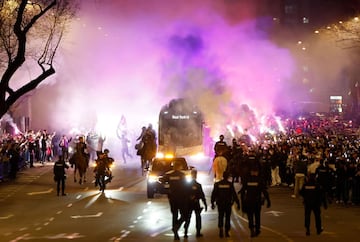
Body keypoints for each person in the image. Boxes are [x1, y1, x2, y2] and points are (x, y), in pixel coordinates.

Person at [162, 160, 190, 240]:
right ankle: (176, 226)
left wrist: (168, 190)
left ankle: (175, 233)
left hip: (172, 198)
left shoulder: (168, 175)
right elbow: (186, 186)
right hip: (181, 198)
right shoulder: (182, 175)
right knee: (184, 215)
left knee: (174, 215)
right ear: (179, 167)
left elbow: (162, 182)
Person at [239, 165, 271, 237]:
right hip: (257, 201)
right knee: (257, 216)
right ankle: (257, 229)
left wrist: (242, 203)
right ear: (257, 172)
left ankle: (251, 229)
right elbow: (264, 191)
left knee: (250, 216)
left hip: (249, 201)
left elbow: (243, 191)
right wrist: (268, 200)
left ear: (251, 172)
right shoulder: (259, 180)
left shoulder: (247, 180)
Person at [211, 171, 240, 238]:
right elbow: (234, 194)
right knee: (227, 217)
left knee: (220, 216)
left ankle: (221, 229)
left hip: (220, 203)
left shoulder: (217, 184)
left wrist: (212, 203)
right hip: (228, 203)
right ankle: (227, 232)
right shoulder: (230, 184)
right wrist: (238, 203)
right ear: (228, 177)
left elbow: (213, 194)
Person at [184, 169, 207, 238]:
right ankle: (197, 232)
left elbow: (184, 194)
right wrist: (205, 204)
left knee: (188, 218)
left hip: (189, 203)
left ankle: (186, 232)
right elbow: (202, 195)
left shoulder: (187, 185)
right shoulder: (198, 185)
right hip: (195, 203)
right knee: (197, 217)